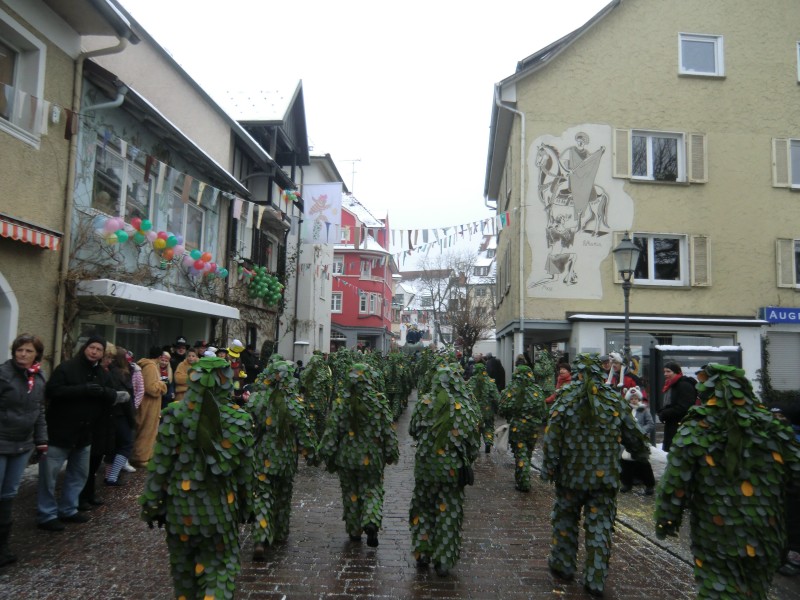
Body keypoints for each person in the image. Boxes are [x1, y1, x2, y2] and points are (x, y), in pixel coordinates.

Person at [655, 364, 800, 599]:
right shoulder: (773, 427)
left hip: (716, 532)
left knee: (718, 587)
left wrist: (667, 520)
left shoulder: (695, 429)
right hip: (765, 532)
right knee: (755, 590)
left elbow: (676, 484)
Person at [139, 356, 254, 600]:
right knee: (218, 568)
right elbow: (245, 474)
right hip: (221, 510)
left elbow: (160, 466)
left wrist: (152, 505)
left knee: (184, 575)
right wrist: (246, 507)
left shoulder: (174, 416)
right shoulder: (240, 420)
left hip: (179, 509)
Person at [541, 353, 650, 597]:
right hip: (605, 480)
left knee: (566, 521)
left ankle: (563, 565)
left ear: (577, 372)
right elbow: (636, 438)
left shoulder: (564, 400)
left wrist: (550, 467)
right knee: (600, 526)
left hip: (570, 477)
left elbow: (552, 439)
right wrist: (639, 454)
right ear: (602, 371)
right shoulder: (614, 401)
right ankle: (595, 577)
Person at [39, 335, 117, 531]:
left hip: (85, 433)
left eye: (99, 349)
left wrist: (103, 392)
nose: (94, 352)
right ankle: (46, 514)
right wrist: (81, 390)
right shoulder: (67, 367)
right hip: (61, 430)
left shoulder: (102, 372)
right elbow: (52, 391)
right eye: (92, 347)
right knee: (49, 476)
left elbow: (113, 394)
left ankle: (68, 508)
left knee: (78, 474)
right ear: (85, 348)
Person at [409, 364, 481, 577]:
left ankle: (422, 551)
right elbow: (473, 446)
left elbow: (413, 430)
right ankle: (443, 559)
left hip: (425, 467)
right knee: (449, 511)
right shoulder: (465, 408)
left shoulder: (424, 403)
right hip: (451, 470)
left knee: (422, 508)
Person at [318, 363, 398, 548]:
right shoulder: (379, 402)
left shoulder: (341, 403)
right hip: (372, 457)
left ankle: (354, 531)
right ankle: (370, 521)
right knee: (372, 489)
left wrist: (326, 456)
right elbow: (388, 432)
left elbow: (332, 433)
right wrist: (390, 453)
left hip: (347, 458)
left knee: (350, 493)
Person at [247, 359, 317, 559]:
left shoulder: (257, 399)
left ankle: (261, 536)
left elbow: (248, 426)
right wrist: (310, 454)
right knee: (283, 495)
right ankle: (280, 532)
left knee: (262, 493)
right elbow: (303, 432)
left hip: (262, 453)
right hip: (285, 454)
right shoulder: (294, 402)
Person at [0, 334, 47, 564]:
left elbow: (38, 412)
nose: (23, 354)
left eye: (28, 351)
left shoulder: (37, 378)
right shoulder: (3, 374)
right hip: (1, 442)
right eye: (20, 350)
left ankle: (3, 547)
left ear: (36, 354)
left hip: (22, 445)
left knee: (8, 495)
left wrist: (41, 440)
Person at [79, 341, 121, 509]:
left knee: (96, 461)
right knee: (86, 464)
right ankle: (82, 496)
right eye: (107, 357)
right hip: (92, 423)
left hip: (105, 422)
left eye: (111, 357)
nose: (108, 360)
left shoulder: (107, 372)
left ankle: (89, 493)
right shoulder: (94, 372)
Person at [498, 364, 547, 492]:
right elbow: (543, 410)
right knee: (527, 451)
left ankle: (523, 481)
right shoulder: (537, 390)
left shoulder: (511, 390)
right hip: (533, 427)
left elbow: (502, 408)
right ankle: (523, 478)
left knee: (521, 453)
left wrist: (510, 415)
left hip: (517, 426)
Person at [102, 346, 138, 486]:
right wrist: (132, 419)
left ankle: (108, 476)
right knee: (126, 445)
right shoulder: (123, 375)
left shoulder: (108, 372)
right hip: (121, 415)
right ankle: (112, 476)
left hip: (110, 415)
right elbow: (127, 400)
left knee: (113, 446)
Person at [129, 346, 168, 469]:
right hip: (148, 405)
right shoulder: (151, 367)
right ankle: (140, 457)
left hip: (147, 404)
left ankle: (143, 455)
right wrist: (162, 385)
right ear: (159, 356)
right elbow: (151, 388)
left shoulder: (147, 365)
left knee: (145, 430)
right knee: (146, 431)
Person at [619, 386, 656, 495]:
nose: (634, 400)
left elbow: (650, 424)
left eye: (636, 398)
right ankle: (627, 483)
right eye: (632, 398)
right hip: (627, 441)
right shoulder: (625, 411)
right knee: (625, 463)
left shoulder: (644, 410)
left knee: (643, 463)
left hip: (639, 442)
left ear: (639, 399)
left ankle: (649, 485)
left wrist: (642, 432)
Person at [658, 361, 696, 452]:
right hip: (673, 423)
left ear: (676, 372)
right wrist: (662, 412)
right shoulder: (672, 385)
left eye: (668, 371)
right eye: (664, 371)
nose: (665, 374)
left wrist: (665, 413)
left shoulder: (683, 385)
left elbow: (684, 407)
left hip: (681, 426)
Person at [467, 362, 500, 453]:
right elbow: (496, 397)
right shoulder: (490, 382)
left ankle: (476, 444)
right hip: (488, 411)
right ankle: (488, 442)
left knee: (476, 429)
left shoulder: (470, 382)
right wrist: (498, 408)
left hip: (474, 411)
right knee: (488, 427)